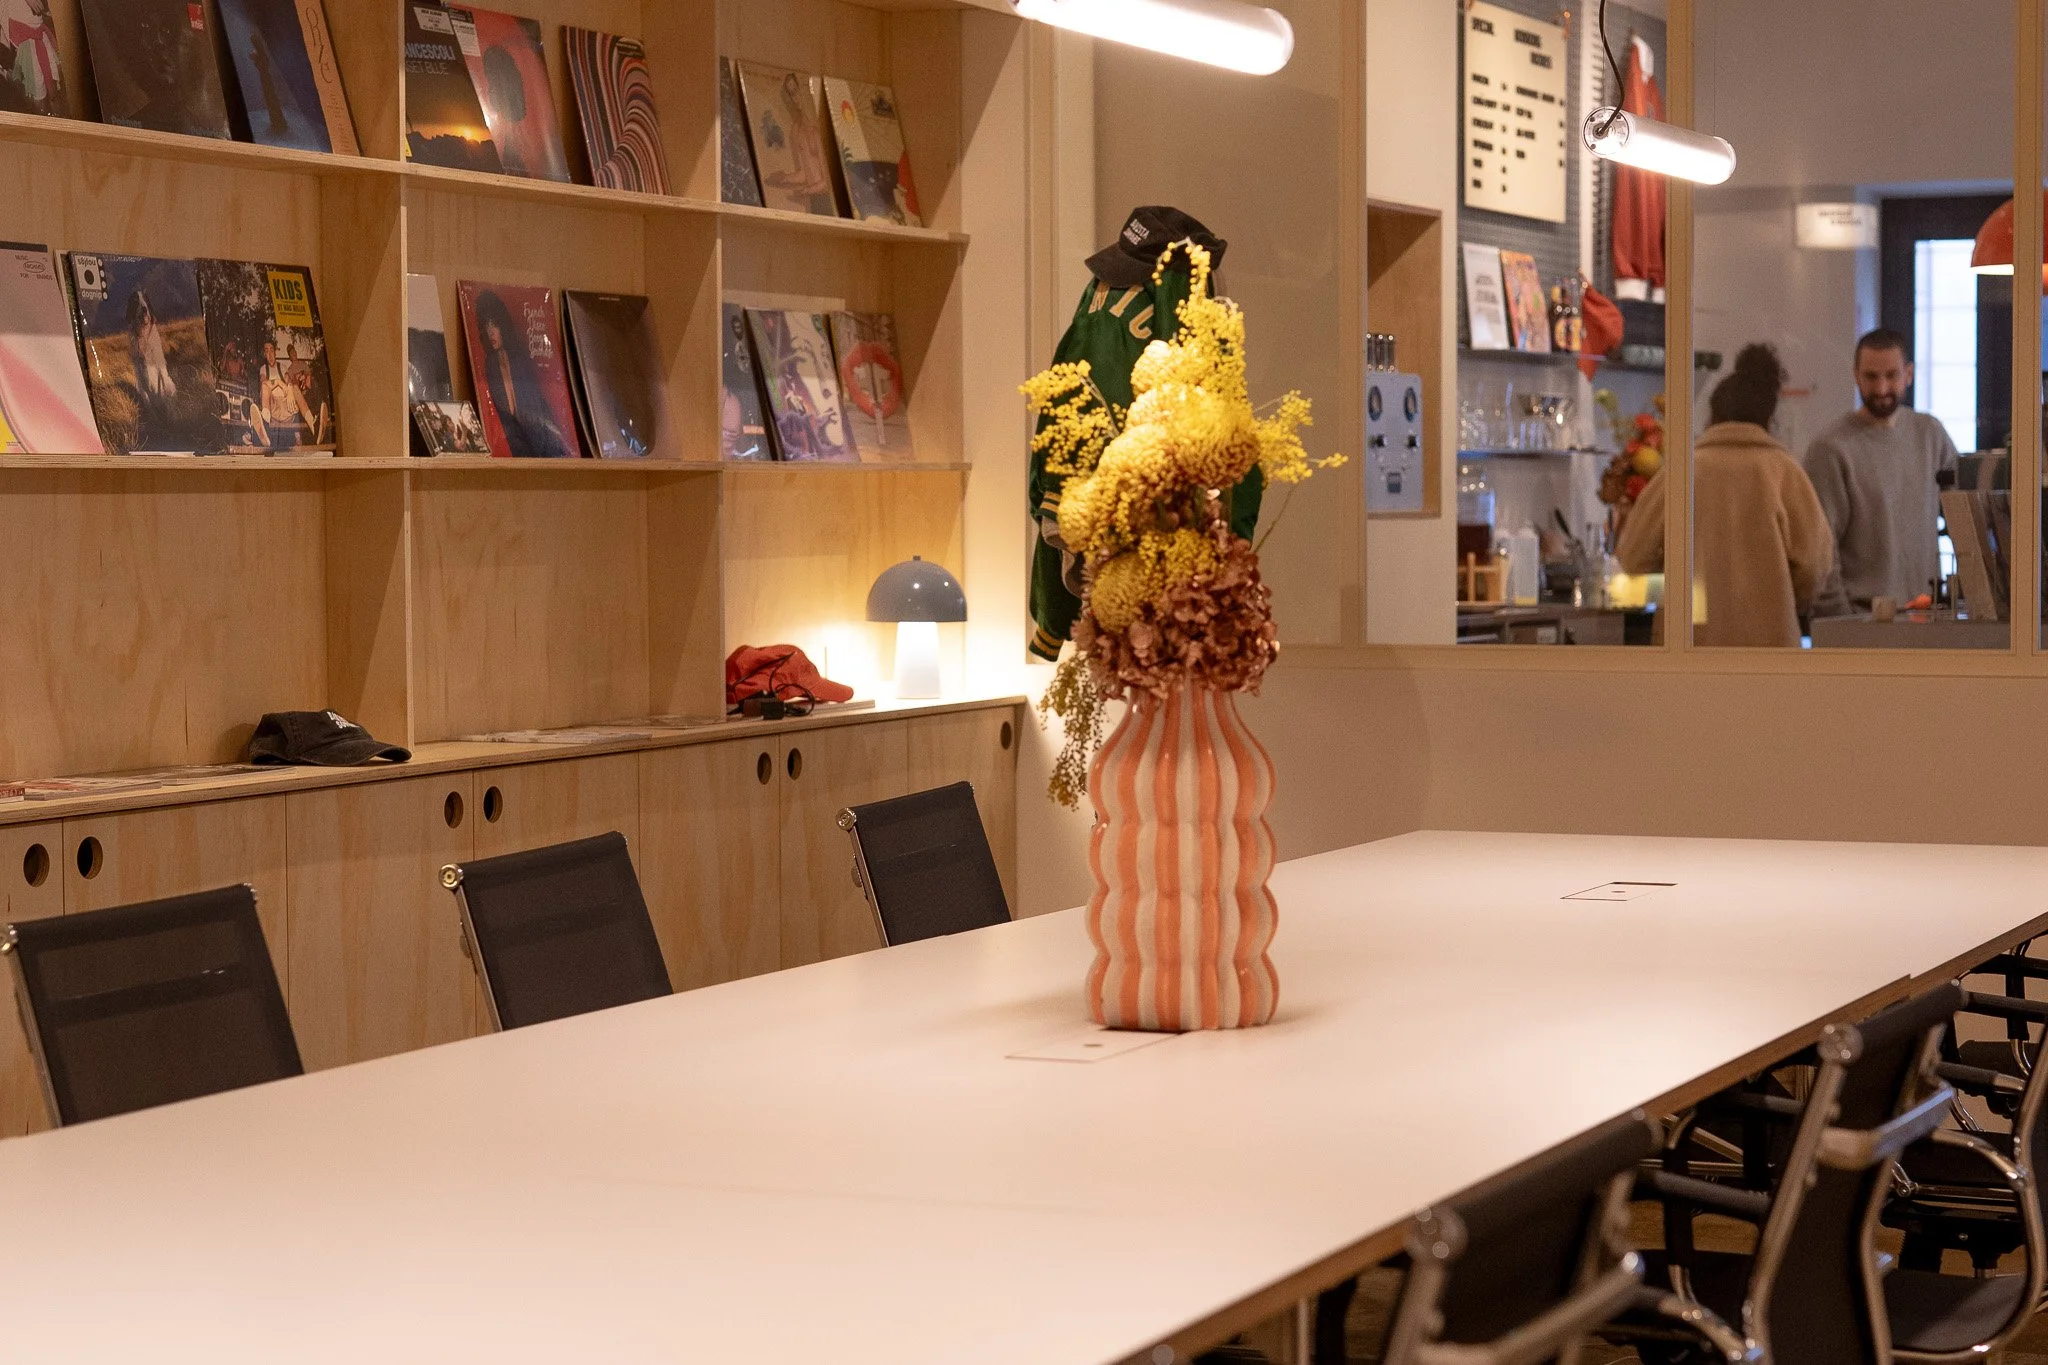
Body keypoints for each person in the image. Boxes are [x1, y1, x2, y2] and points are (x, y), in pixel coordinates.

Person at [1616, 344, 1835, 647]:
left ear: (1713, 417)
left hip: (1687, 650)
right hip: (1771, 651)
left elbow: (1632, 559)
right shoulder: (1785, 472)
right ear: (1769, 419)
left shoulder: (1680, 473)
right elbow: (1814, 566)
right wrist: (1782, 598)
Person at [1802, 327, 1959, 613]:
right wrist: (1842, 619)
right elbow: (1819, 548)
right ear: (1856, 376)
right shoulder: (1830, 449)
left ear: (1908, 375)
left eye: (1891, 375)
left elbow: (1963, 517)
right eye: (1871, 377)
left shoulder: (1930, 434)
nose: (1882, 389)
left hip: (1927, 613)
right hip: (1864, 618)